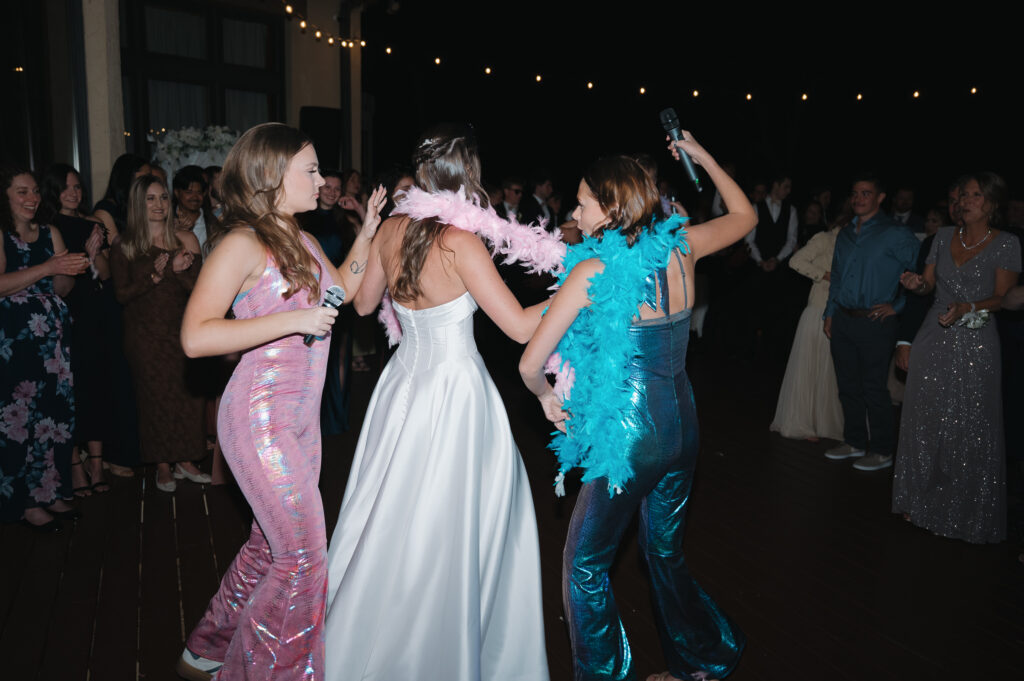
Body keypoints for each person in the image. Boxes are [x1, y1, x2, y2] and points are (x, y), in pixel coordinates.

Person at [519, 131, 755, 681]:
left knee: (584, 566)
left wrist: (547, 397)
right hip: (683, 420)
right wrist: (704, 156)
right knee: (663, 551)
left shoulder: (591, 273)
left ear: (611, 208)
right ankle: (701, 660)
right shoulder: (681, 246)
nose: (573, 211)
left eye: (582, 203)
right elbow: (744, 215)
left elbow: (531, 363)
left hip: (630, 434)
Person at [322, 124, 550, 681]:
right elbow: (520, 328)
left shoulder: (392, 230)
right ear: (469, 177)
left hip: (401, 384)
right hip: (456, 391)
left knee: (389, 509)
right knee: (450, 524)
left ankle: (367, 630)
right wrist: (578, 290)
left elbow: (363, 305)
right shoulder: (460, 242)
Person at [176, 123, 386, 681]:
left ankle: (207, 648)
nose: (322, 181)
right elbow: (196, 336)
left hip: (299, 420)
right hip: (258, 417)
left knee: (269, 547)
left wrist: (366, 235)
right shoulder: (243, 242)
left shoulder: (304, 238)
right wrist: (292, 319)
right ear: (272, 176)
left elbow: (344, 293)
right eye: (311, 170)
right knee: (303, 557)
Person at [894, 173, 1021, 543]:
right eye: (963, 195)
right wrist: (917, 284)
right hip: (934, 336)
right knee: (924, 420)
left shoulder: (1007, 243)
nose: (966, 201)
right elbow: (929, 284)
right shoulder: (943, 236)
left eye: (976, 195)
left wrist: (969, 306)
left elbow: (1004, 298)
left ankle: (962, 509)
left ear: (993, 202)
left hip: (977, 342)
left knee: (969, 425)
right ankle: (917, 501)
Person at [1, 166, 90, 532]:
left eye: (35, 191)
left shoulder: (49, 232)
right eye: (21, 192)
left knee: (52, 419)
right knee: (19, 422)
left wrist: (69, 267)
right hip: (15, 345)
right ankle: (22, 504)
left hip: (52, 345)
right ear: (5, 197)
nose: (31, 198)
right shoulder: (3, 236)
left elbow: (63, 289)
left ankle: (49, 492)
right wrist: (48, 266)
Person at [109, 175, 207, 493]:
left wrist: (178, 272)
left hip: (181, 329)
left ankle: (186, 460)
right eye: (151, 198)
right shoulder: (124, 245)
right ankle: (162, 465)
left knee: (187, 396)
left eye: (163, 198)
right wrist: (157, 274)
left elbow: (201, 290)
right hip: (144, 335)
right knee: (155, 399)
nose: (159, 204)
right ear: (138, 204)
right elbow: (121, 294)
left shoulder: (186, 239)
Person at [822, 174, 920, 471]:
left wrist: (898, 306)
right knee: (847, 385)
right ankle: (853, 442)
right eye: (855, 193)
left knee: (873, 387)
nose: (858, 198)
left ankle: (881, 449)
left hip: (875, 322)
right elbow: (837, 276)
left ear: (880, 198)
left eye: (866, 193)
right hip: (843, 318)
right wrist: (829, 313)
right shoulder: (846, 233)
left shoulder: (896, 233)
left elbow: (922, 277)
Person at [38, 163, 114, 494]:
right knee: (70, 388)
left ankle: (97, 463)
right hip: (65, 312)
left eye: (77, 186)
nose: (73, 192)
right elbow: (61, 277)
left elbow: (106, 274)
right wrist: (86, 253)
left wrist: (95, 254)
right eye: (66, 187)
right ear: (53, 191)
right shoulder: (47, 226)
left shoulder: (94, 224)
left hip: (96, 310)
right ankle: (73, 465)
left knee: (97, 383)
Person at [770, 222, 844, 441]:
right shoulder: (825, 238)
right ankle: (802, 422)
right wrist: (825, 275)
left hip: (843, 313)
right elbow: (796, 260)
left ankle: (825, 422)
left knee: (830, 370)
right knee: (812, 367)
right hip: (818, 309)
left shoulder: (857, 243)